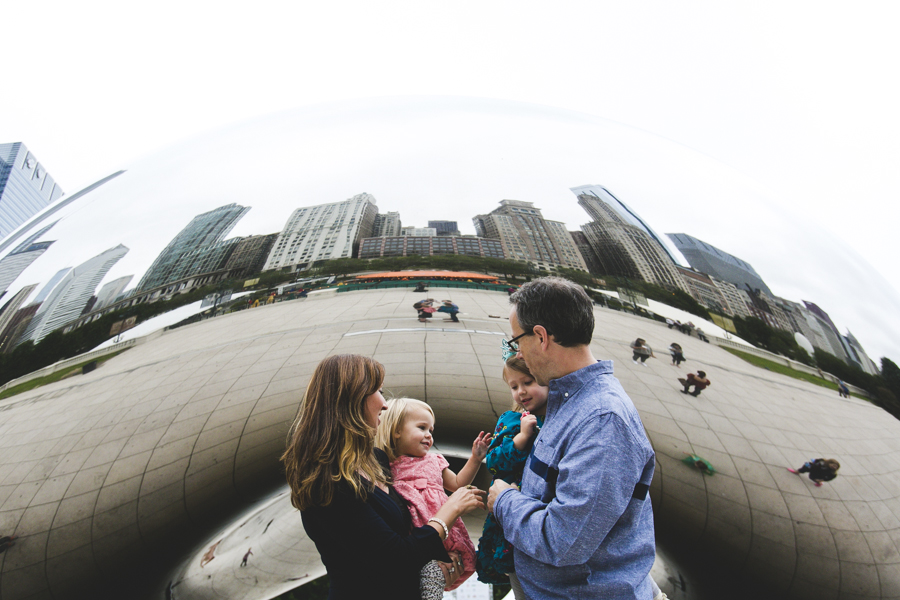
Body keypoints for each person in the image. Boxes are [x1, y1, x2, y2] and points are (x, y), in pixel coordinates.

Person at [487, 277, 657, 600]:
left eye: (516, 342)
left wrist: (504, 501)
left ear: (540, 337)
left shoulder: (603, 421)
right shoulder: (566, 399)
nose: (517, 352)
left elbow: (564, 540)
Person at [282, 354, 485, 599]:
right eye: (377, 391)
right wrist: (449, 512)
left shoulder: (376, 460)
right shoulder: (329, 483)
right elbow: (395, 557)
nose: (385, 403)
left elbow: (406, 537)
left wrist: (441, 561)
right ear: (353, 400)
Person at [375, 398, 491, 597]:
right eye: (422, 427)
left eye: (431, 430)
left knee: (447, 566)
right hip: (417, 536)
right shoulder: (386, 467)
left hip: (443, 530)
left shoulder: (434, 460)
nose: (428, 435)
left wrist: (475, 459)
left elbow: (457, 484)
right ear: (396, 430)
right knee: (429, 575)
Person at [476, 357, 547, 598]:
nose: (521, 391)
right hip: (511, 511)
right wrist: (521, 438)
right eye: (514, 386)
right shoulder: (511, 421)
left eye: (528, 381)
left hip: (541, 516)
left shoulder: (559, 419)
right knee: (517, 573)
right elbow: (494, 460)